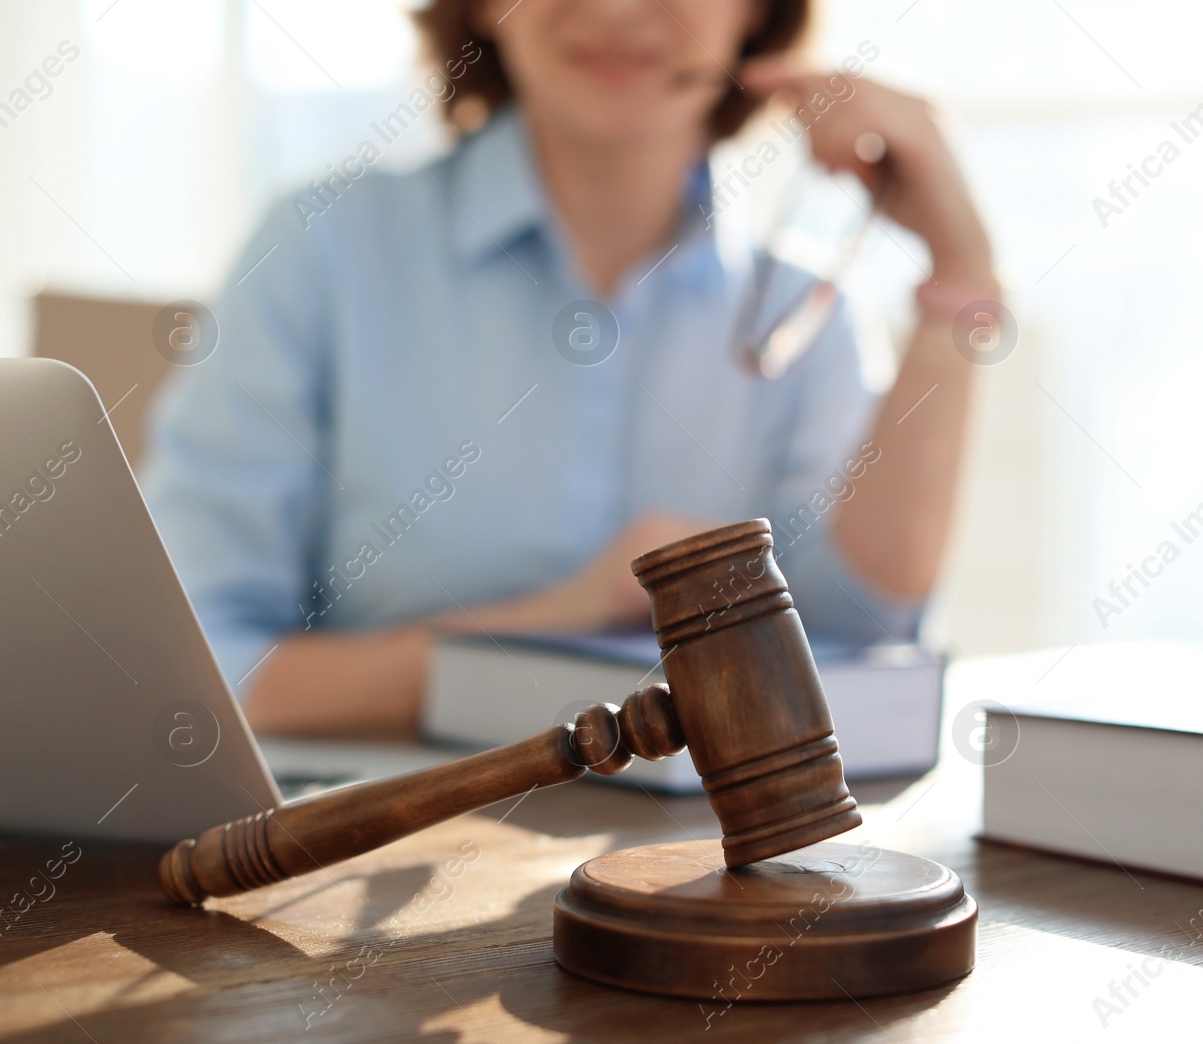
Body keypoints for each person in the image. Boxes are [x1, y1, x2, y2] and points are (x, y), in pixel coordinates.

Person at [142, 0, 997, 738]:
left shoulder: (806, 312)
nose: (621, 7)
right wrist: (563, 619)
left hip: (689, 884)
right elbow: (196, 674)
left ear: (757, 15)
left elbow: (866, 644)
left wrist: (962, 272)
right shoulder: (320, 247)